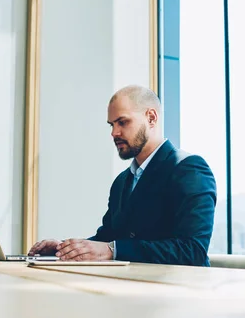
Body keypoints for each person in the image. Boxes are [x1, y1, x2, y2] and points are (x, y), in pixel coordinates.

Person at [28, 85, 216, 266]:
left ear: (151, 118)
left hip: (180, 292)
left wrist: (112, 250)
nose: (114, 133)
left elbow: (193, 251)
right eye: (111, 125)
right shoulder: (122, 181)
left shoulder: (189, 169)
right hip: (131, 288)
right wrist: (64, 249)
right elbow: (107, 241)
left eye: (123, 122)